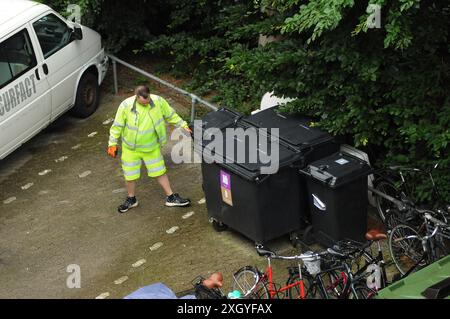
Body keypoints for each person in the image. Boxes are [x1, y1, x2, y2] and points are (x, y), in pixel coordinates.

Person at [107, 85, 191, 213]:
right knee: (130, 175)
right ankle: (131, 199)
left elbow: (171, 115)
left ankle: (171, 197)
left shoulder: (158, 101)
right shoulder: (126, 106)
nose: (146, 104)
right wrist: (112, 143)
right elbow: (117, 126)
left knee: (159, 171)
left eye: (148, 101)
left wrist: (183, 125)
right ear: (137, 97)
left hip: (152, 147)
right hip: (131, 149)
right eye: (143, 102)